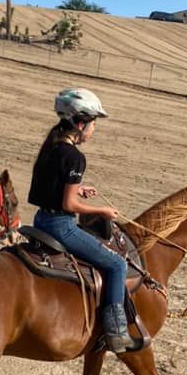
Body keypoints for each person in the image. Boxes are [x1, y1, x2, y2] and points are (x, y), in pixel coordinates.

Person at [28, 87, 139, 353]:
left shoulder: (51, 147)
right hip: (61, 226)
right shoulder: (75, 157)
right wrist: (101, 211)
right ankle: (116, 332)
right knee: (115, 264)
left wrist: (78, 187)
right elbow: (68, 205)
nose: (93, 130)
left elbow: (50, 189)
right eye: (93, 124)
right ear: (80, 124)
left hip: (41, 219)